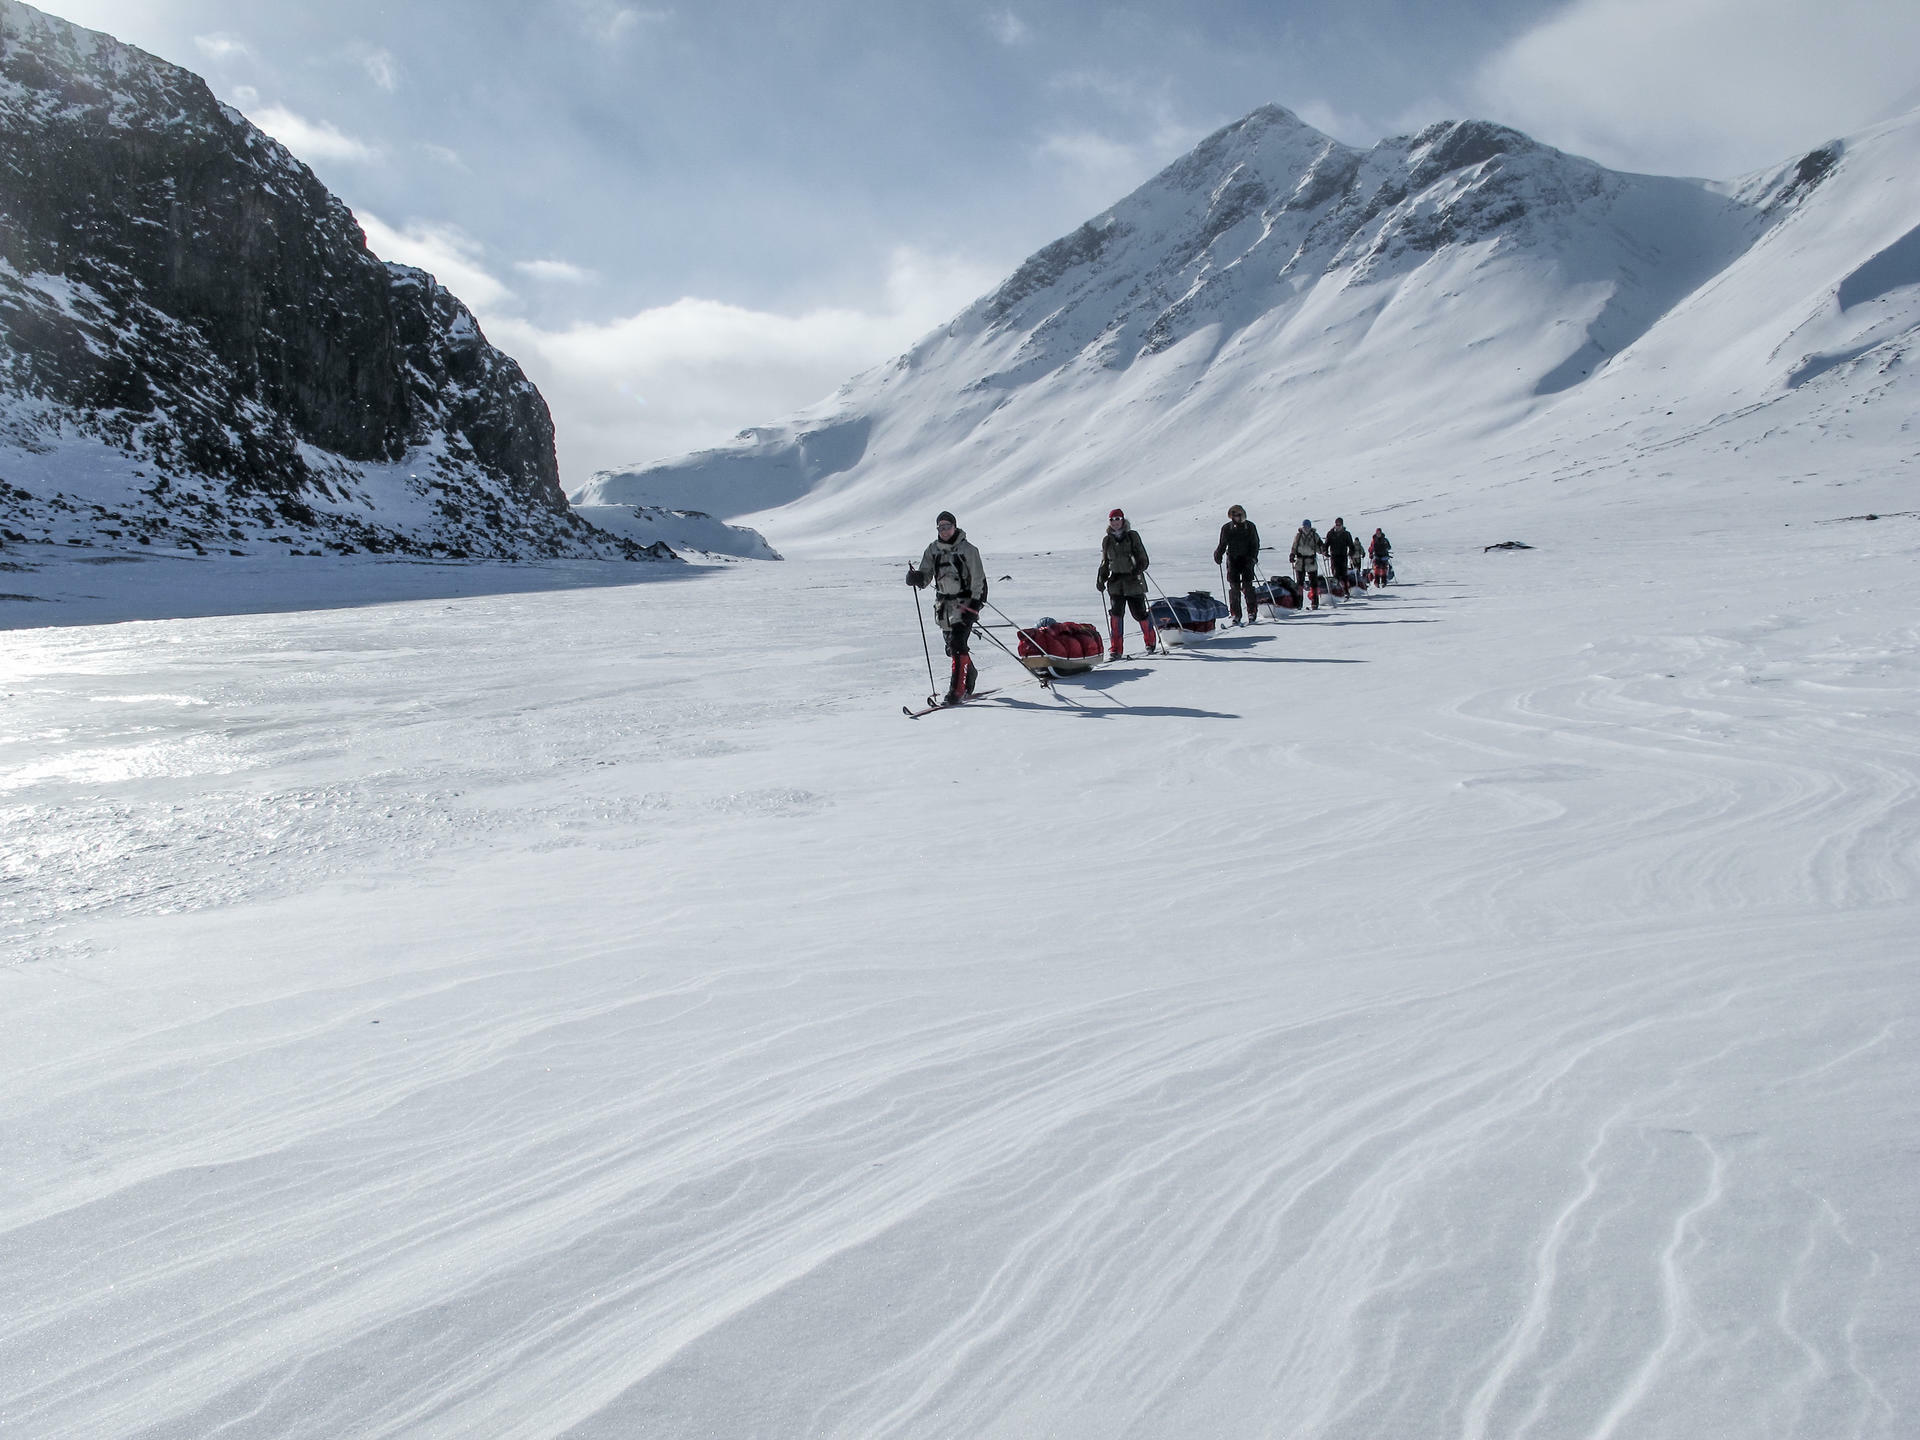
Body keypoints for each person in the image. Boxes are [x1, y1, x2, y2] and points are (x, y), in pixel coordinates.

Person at [906, 511, 987, 703]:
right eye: (940, 528)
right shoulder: (932, 550)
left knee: (957, 645)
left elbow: (979, 580)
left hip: (965, 605)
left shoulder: (969, 550)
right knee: (952, 648)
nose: (944, 531)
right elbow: (926, 576)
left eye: (947, 527)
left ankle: (956, 692)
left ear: (955, 527)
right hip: (943, 608)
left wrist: (975, 605)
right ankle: (971, 672)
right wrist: (916, 578)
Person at [1096, 507, 1157, 658]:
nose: (1115, 522)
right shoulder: (1107, 540)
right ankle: (1116, 649)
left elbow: (1142, 556)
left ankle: (1150, 642)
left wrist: (1138, 569)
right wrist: (1101, 578)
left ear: (1123, 520)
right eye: (1112, 520)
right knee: (1116, 615)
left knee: (1139, 613)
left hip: (1133, 581)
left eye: (1117, 519)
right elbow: (1105, 561)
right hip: (1116, 582)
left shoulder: (1132, 536)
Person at [1212, 504, 1262, 625]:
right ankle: (1236, 614)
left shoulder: (1250, 526)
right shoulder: (1227, 528)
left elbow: (1255, 543)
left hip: (1247, 559)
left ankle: (1252, 612)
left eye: (1238, 515)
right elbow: (1223, 543)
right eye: (1233, 515)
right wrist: (1218, 554)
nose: (1236, 517)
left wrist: (1253, 558)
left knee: (1247, 587)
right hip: (1233, 560)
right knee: (1234, 588)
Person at [1289, 518, 1325, 609]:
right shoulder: (1298, 536)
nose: (1306, 528)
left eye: (1307, 526)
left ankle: (1314, 602)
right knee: (1299, 583)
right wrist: (1292, 555)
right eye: (1304, 526)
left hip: (1311, 561)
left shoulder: (1314, 535)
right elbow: (1294, 546)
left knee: (1314, 583)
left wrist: (1322, 549)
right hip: (1300, 561)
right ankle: (1299, 603)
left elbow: (1320, 546)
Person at [1326, 517, 1358, 594]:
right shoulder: (1331, 534)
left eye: (1339, 524)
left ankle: (1346, 591)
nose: (1338, 525)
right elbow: (1326, 544)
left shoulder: (1346, 534)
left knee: (1344, 574)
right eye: (1337, 524)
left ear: (1342, 525)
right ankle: (1337, 591)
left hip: (1343, 556)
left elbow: (1351, 545)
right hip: (1334, 556)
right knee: (1335, 573)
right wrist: (1325, 551)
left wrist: (1351, 552)